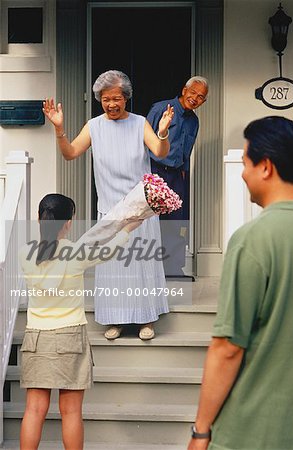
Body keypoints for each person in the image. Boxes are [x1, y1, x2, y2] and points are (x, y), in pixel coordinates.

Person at [188, 116, 293, 450]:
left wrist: (201, 431)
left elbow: (228, 347)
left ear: (265, 167)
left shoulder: (253, 240)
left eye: (245, 164)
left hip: (255, 430)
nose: (242, 173)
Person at [43, 70, 174, 341]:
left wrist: (162, 133)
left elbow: (160, 152)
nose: (111, 104)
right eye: (105, 99)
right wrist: (58, 129)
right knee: (112, 265)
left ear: (126, 98)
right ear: (99, 100)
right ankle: (115, 320)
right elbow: (70, 154)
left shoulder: (140, 124)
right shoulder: (94, 126)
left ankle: (146, 320)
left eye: (116, 98)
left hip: (141, 207)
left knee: (141, 263)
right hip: (110, 208)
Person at [19, 193, 143, 450]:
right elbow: (108, 251)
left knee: (33, 410)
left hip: (36, 338)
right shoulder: (75, 253)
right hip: (69, 337)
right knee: (72, 411)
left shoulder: (25, 253)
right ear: (68, 223)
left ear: (39, 219)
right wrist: (128, 227)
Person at [147, 76, 208, 279]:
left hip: (177, 175)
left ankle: (173, 269)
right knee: (150, 220)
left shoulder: (194, 121)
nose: (195, 99)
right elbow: (143, 139)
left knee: (176, 222)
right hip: (155, 170)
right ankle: (148, 268)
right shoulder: (161, 109)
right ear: (184, 90)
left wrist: (184, 174)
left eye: (201, 97)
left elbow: (187, 150)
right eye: (193, 93)